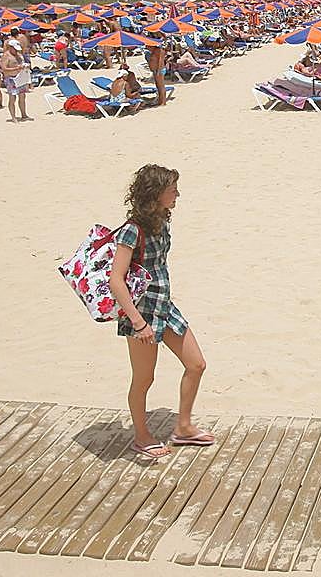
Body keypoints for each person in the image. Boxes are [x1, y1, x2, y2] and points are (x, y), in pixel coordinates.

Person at [109, 165, 214, 461]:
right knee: (144, 379)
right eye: (173, 190)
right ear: (156, 193)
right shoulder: (133, 229)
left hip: (165, 307)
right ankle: (141, 437)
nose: (177, 194)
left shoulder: (162, 220)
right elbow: (116, 279)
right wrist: (138, 322)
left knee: (196, 364)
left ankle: (183, 427)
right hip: (141, 314)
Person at [0, 40, 31, 122]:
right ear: (10, 47)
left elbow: (22, 63)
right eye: (15, 49)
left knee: (22, 97)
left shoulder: (18, 54)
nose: (16, 51)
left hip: (20, 78)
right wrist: (16, 68)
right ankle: (13, 117)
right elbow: (4, 69)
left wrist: (25, 67)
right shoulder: (6, 56)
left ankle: (24, 114)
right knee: (12, 98)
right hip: (11, 79)